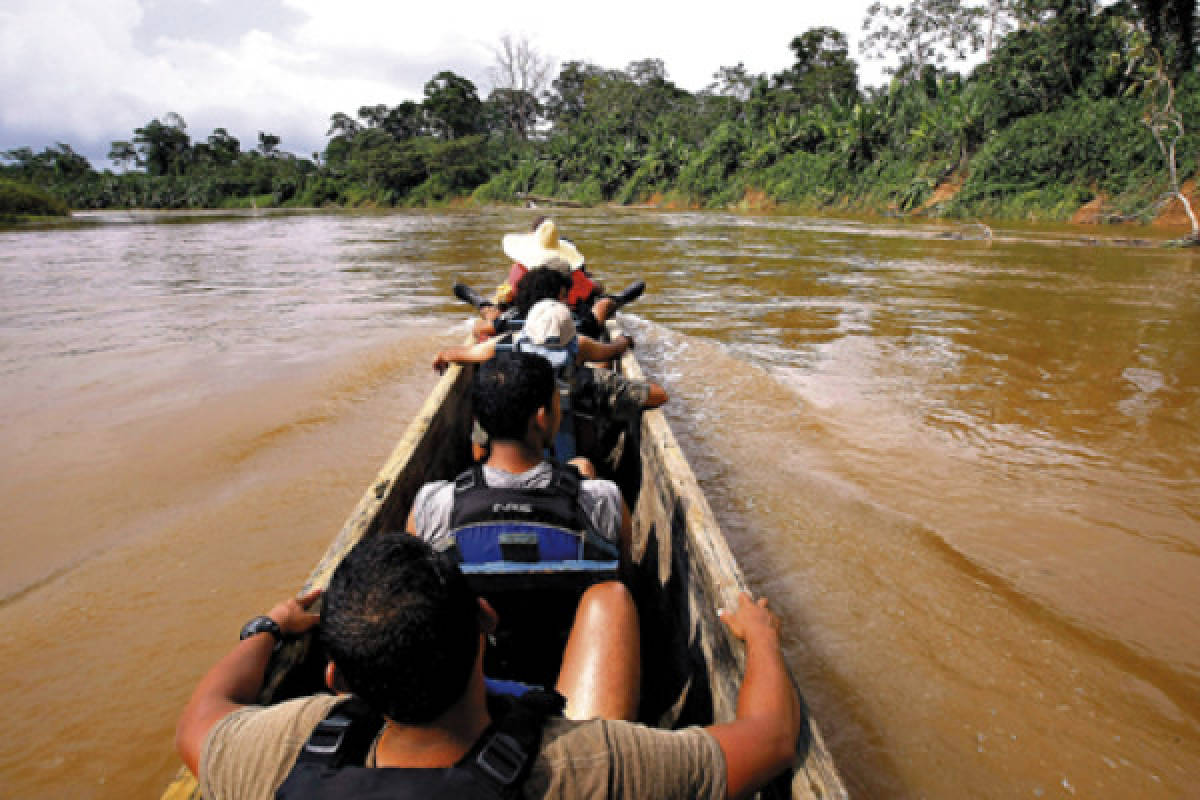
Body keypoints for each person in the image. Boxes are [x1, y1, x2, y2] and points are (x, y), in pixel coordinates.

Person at [177, 532, 804, 799]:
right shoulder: (587, 768)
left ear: (337, 679)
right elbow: (772, 739)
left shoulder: (289, 746)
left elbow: (197, 722)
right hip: (538, 737)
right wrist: (762, 638)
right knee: (610, 600)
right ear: (485, 619)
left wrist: (267, 628)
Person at [410, 348, 634, 572]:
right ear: (541, 418)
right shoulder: (604, 501)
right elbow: (624, 576)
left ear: (478, 420)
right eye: (557, 404)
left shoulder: (431, 507)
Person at [458, 217, 645, 340]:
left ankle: (480, 303)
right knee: (604, 304)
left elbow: (511, 295)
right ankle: (620, 299)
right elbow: (594, 289)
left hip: (525, 319)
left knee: (495, 310)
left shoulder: (519, 269)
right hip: (568, 322)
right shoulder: (570, 272)